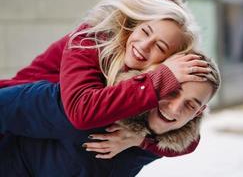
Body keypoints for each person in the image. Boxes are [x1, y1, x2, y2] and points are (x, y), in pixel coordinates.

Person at [0, 0, 210, 157]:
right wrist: (159, 80)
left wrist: (142, 141)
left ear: (168, 60)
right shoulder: (92, 38)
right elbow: (80, 112)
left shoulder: (152, 77)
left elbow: (188, 139)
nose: (144, 46)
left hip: (49, 144)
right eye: (145, 31)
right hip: (13, 117)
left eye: (160, 47)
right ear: (134, 24)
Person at [0, 50, 221, 177]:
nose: (174, 108)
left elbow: (187, 144)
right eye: (171, 91)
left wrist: (142, 141)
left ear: (199, 113)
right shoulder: (86, 106)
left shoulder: (166, 137)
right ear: (155, 78)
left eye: (191, 105)